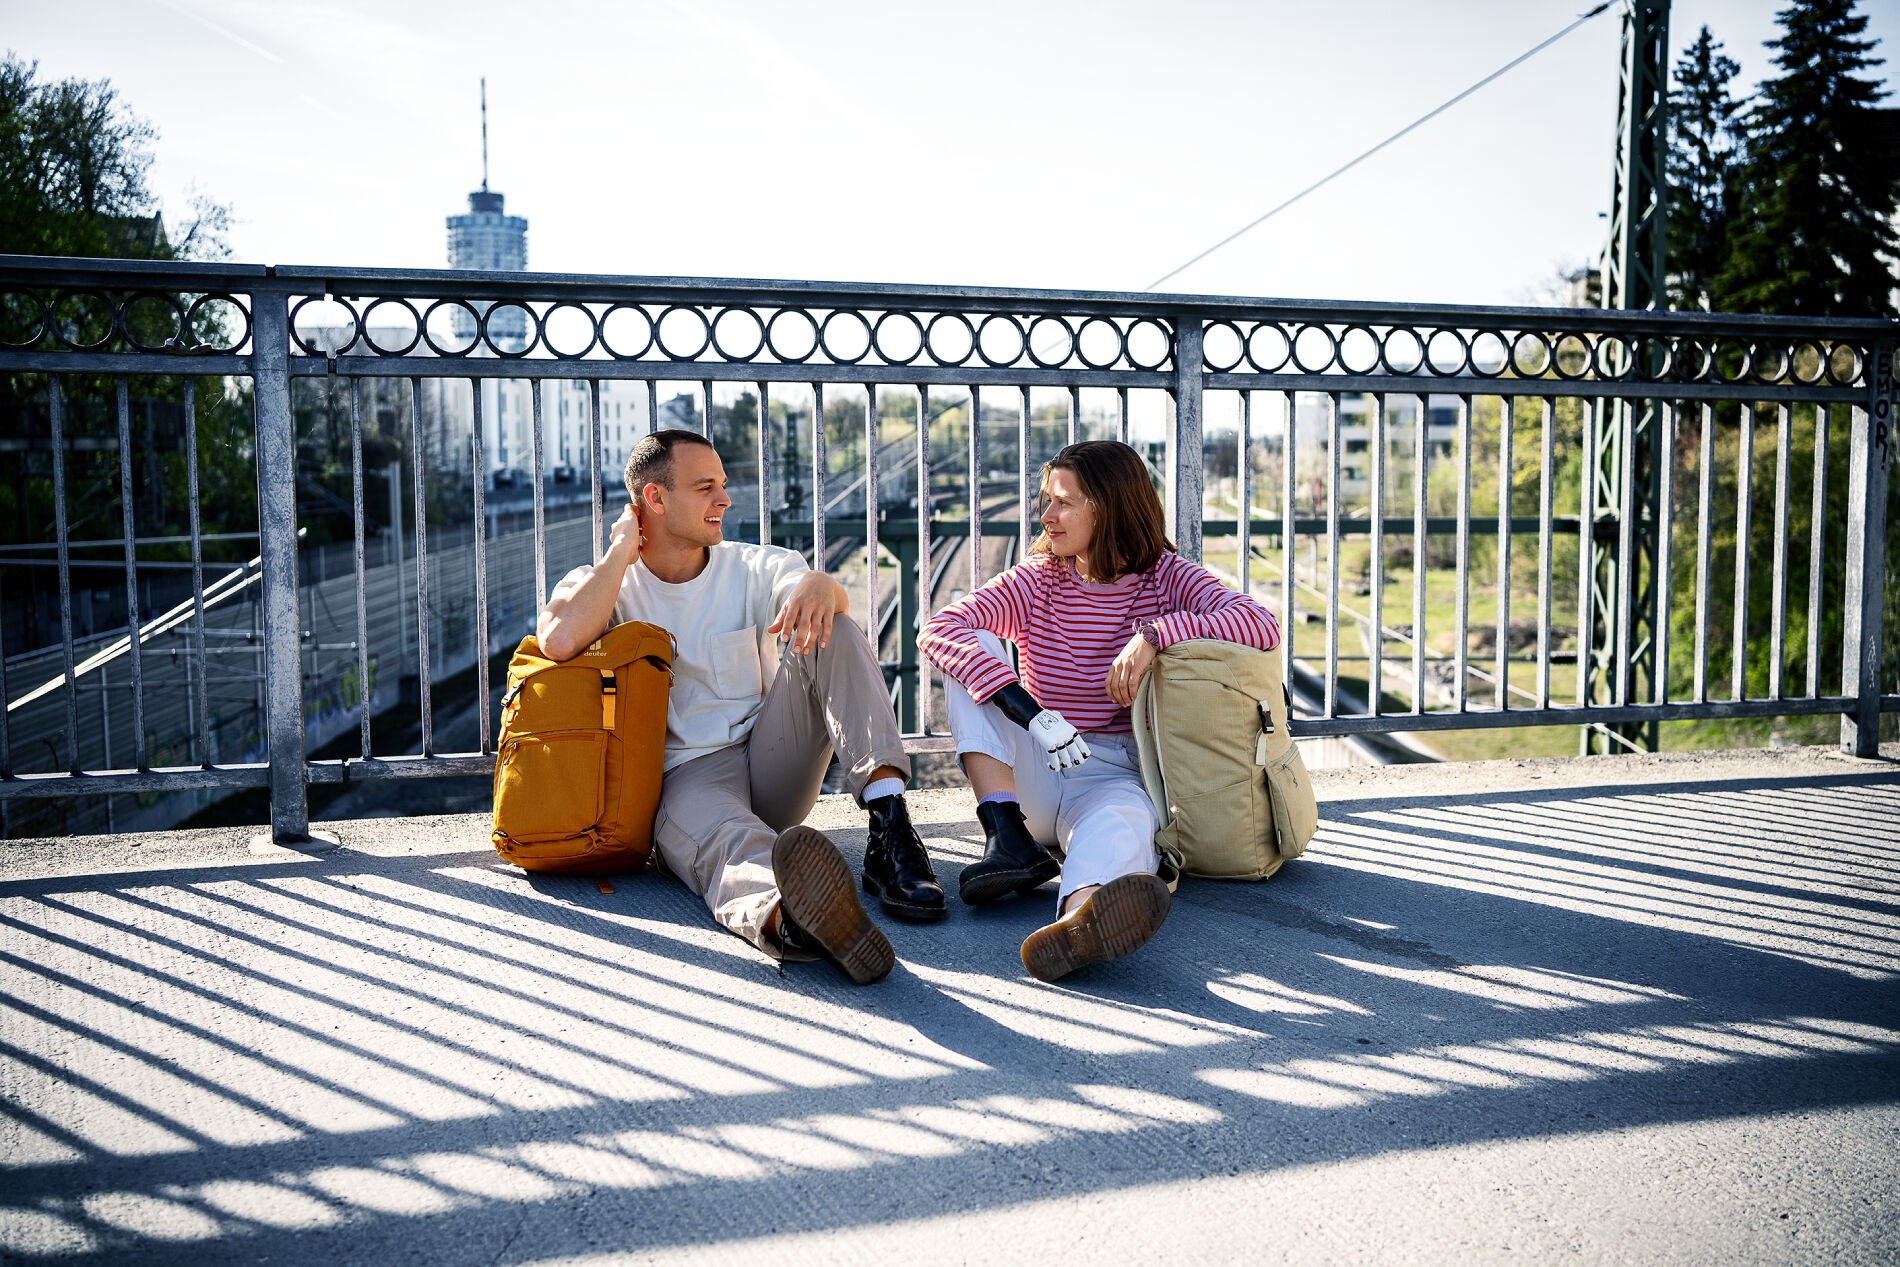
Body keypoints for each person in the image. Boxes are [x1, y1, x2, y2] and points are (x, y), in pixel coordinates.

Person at [538, 429, 944, 985]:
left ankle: (891, 827)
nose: (724, 499)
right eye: (705, 487)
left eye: (723, 485)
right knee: (726, 845)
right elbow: (559, 640)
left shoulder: (749, 565)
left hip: (769, 756)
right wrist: (618, 554)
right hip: (687, 778)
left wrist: (823, 584)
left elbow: (809, 591)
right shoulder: (608, 584)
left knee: (833, 628)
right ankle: (795, 918)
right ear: (652, 500)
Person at [919, 440, 1280, 982]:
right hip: (1031, 771)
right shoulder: (1038, 577)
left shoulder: (1168, 578)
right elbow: (938, 629)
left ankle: (1078, 921)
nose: (1047, 516)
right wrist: (1031, 712)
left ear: (1107, 507)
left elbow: (1260, 625)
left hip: (1112, 769)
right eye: (1048, 500)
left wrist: (1157, 634)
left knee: (1124, 823)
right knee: (974, 650)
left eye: (1064, 502)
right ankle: (1006, 837)